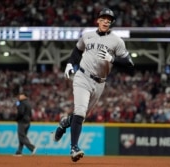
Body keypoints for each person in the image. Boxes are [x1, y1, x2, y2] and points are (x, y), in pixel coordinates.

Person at [53, 8, 134, 162]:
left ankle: (65, 123)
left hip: (100, 83)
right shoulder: (87, 36)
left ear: (111, 23)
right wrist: (70, 63)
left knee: (80, 117)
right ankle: (74, 148)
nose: (106, 21)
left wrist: (113, 59)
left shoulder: (117, 41)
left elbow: (130, 64)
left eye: (109, 20)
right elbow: (77, 51)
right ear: (98, 20)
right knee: (80, 112)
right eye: (103, 19)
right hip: (82, 77)